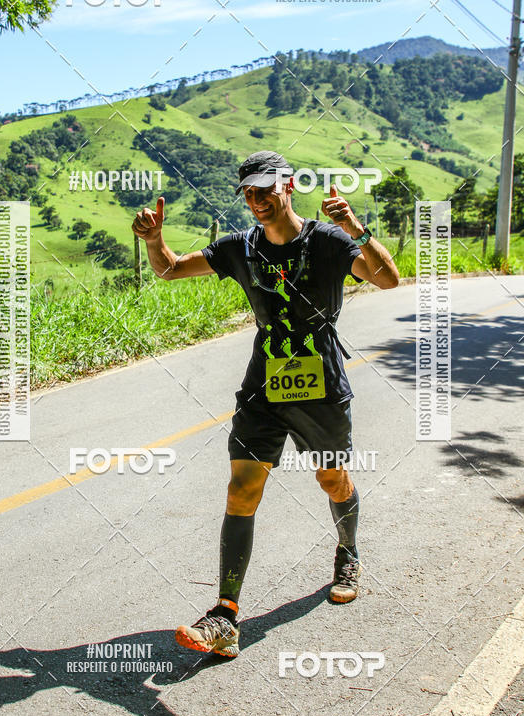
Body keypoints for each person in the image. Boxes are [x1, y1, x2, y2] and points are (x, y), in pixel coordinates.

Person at [131, 150, 399, 658]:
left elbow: (386, 278)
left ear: (288, 185)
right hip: (263, 386)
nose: (256, 201)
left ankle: (347, 551)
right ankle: (226, 615)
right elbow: (168, 270)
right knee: (241, 487)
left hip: (320, 385)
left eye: (264, 190)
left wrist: (355, 225)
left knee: (332, 479)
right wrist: (154, 241)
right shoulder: (240, 248)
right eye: (248, 193)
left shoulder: (326, 239)